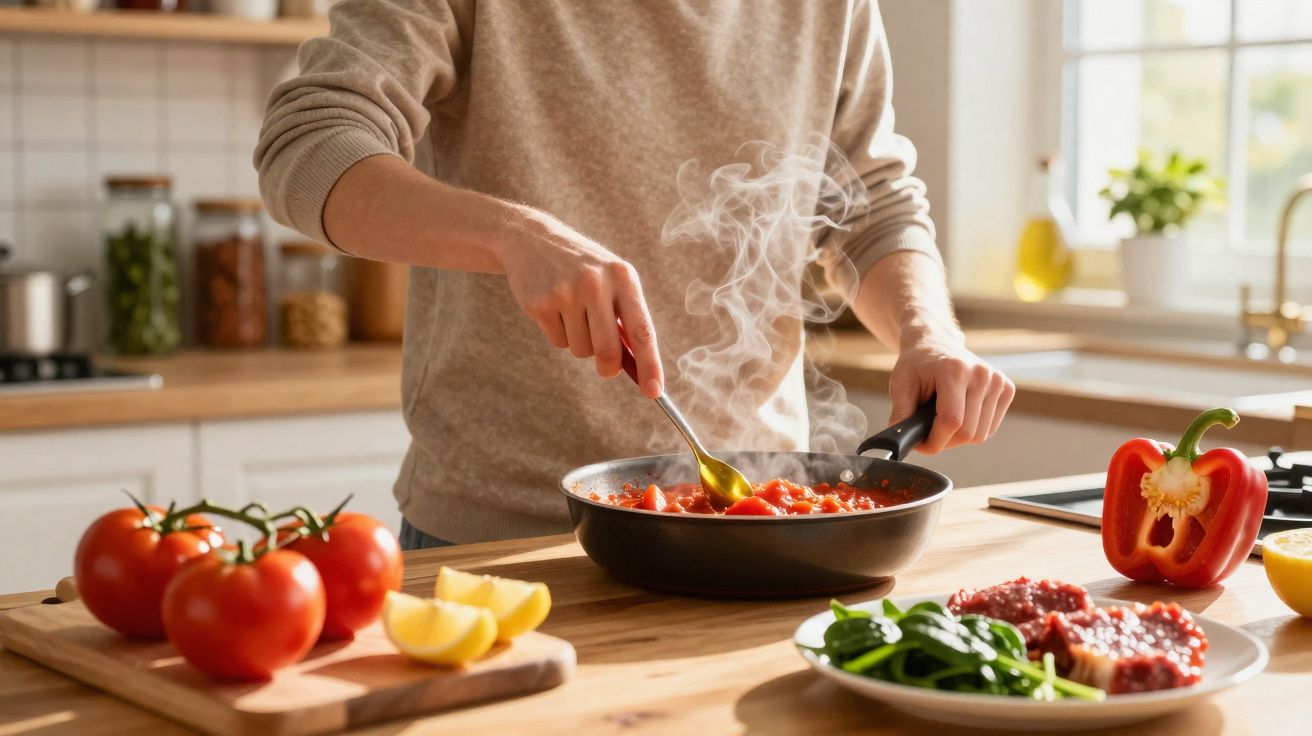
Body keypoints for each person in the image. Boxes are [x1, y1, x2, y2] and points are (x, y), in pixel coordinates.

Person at [256, 0, 1015, 550]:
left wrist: (928, 334)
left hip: (763, 533)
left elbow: (870, 204)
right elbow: (310, 143)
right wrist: (515, 235)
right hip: (499, 540)